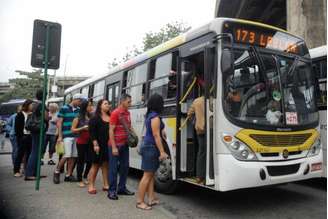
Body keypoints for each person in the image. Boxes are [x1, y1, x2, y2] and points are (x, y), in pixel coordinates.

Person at [136, 94, 168, 210]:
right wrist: (162, 152)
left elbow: (159, 129)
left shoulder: (150, 115)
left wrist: (163, 129)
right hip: (151, 147)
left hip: (148, 146)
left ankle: (151, 198)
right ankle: (140, 202)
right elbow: (156, 135)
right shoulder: (155, 117)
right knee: (147, 175)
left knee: (150, 175)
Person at [108, 94, 135, 200]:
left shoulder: (128, 113)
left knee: (125, 167)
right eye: (129, 102)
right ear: (122, 101)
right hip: (115, 145)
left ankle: (122, 188)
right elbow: (111, 130)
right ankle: (112, 191)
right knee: (114, 169)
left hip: (124, 144)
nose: (130, 104)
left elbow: (129, 126)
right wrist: (114, 147)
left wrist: (135, 135)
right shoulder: (115, 113)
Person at [53, 93, 84, 184]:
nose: (80, 103)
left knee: (74, 156)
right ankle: (57, 171)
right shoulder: (64, 108)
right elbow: (59, 123)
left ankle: (68, 175)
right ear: (74, 99)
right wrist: (60, 136)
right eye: (79, 101)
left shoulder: (79, 110)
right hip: (66, 135)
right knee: (67, 154)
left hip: (76, 136)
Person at [87, 99, 110, 194]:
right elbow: (92, 132)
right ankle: (91, 185)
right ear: (100, 106)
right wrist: (95, 144)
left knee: (105, 164)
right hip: (96, 145)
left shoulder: (111, 116)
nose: (108, 105)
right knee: (95, 165)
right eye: (105, 104)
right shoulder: (95, 118)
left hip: (107, 145)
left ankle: (106, 184)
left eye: (108, 104)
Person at [25, 89, 49, 180]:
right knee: (36, 152)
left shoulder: (34, 104)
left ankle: (34, 173)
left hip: (34, 130)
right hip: (39, 130)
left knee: (35, 151)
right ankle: (30, 174)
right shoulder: (42, 104)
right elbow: (46, 117)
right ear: (44, 95)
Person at [71, 99, 93, 188]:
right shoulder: (78, 118)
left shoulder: (91, 117)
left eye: (91, 105)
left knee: (90, 160)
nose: (91, 107)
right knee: (81, 160)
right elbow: (72, 129)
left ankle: (85, 176)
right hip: (81, 142)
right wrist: (82, 128)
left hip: (91, 141)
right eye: (89, 105)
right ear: (84, 107)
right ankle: (79, 179)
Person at [187, 95, 206, 184]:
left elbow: (189, 114)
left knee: (201, 153)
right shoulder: (213, 100)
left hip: (200, 130)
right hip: (211, 130)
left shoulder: (196, 101)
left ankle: (199, 176)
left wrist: (195, 122)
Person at [13, 99, 33, 177]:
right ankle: (16, 170)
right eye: (31, 105)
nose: (32, 106)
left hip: (30, 136)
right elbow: (17, 127)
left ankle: (26, 169)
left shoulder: (33, 114)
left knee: (29, 153)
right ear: (27, 105)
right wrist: (20, 137)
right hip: (22, 136)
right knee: (20, 154)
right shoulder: (20, 114)